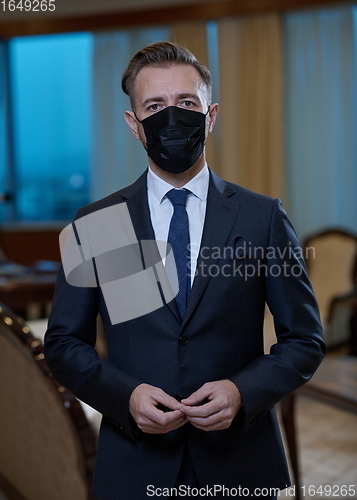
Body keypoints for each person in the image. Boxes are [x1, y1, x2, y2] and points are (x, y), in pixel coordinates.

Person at [44, 41, 325, 500]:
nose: (171, 117)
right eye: (154, 106)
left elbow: (305, 340)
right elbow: (62, 343)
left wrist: (242, 391)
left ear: (210, 115)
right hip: (134, 464)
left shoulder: (263, 217)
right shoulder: (94, 224)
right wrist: (124, 396)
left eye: (186, 103)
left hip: (243, 461)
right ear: (134, 124)